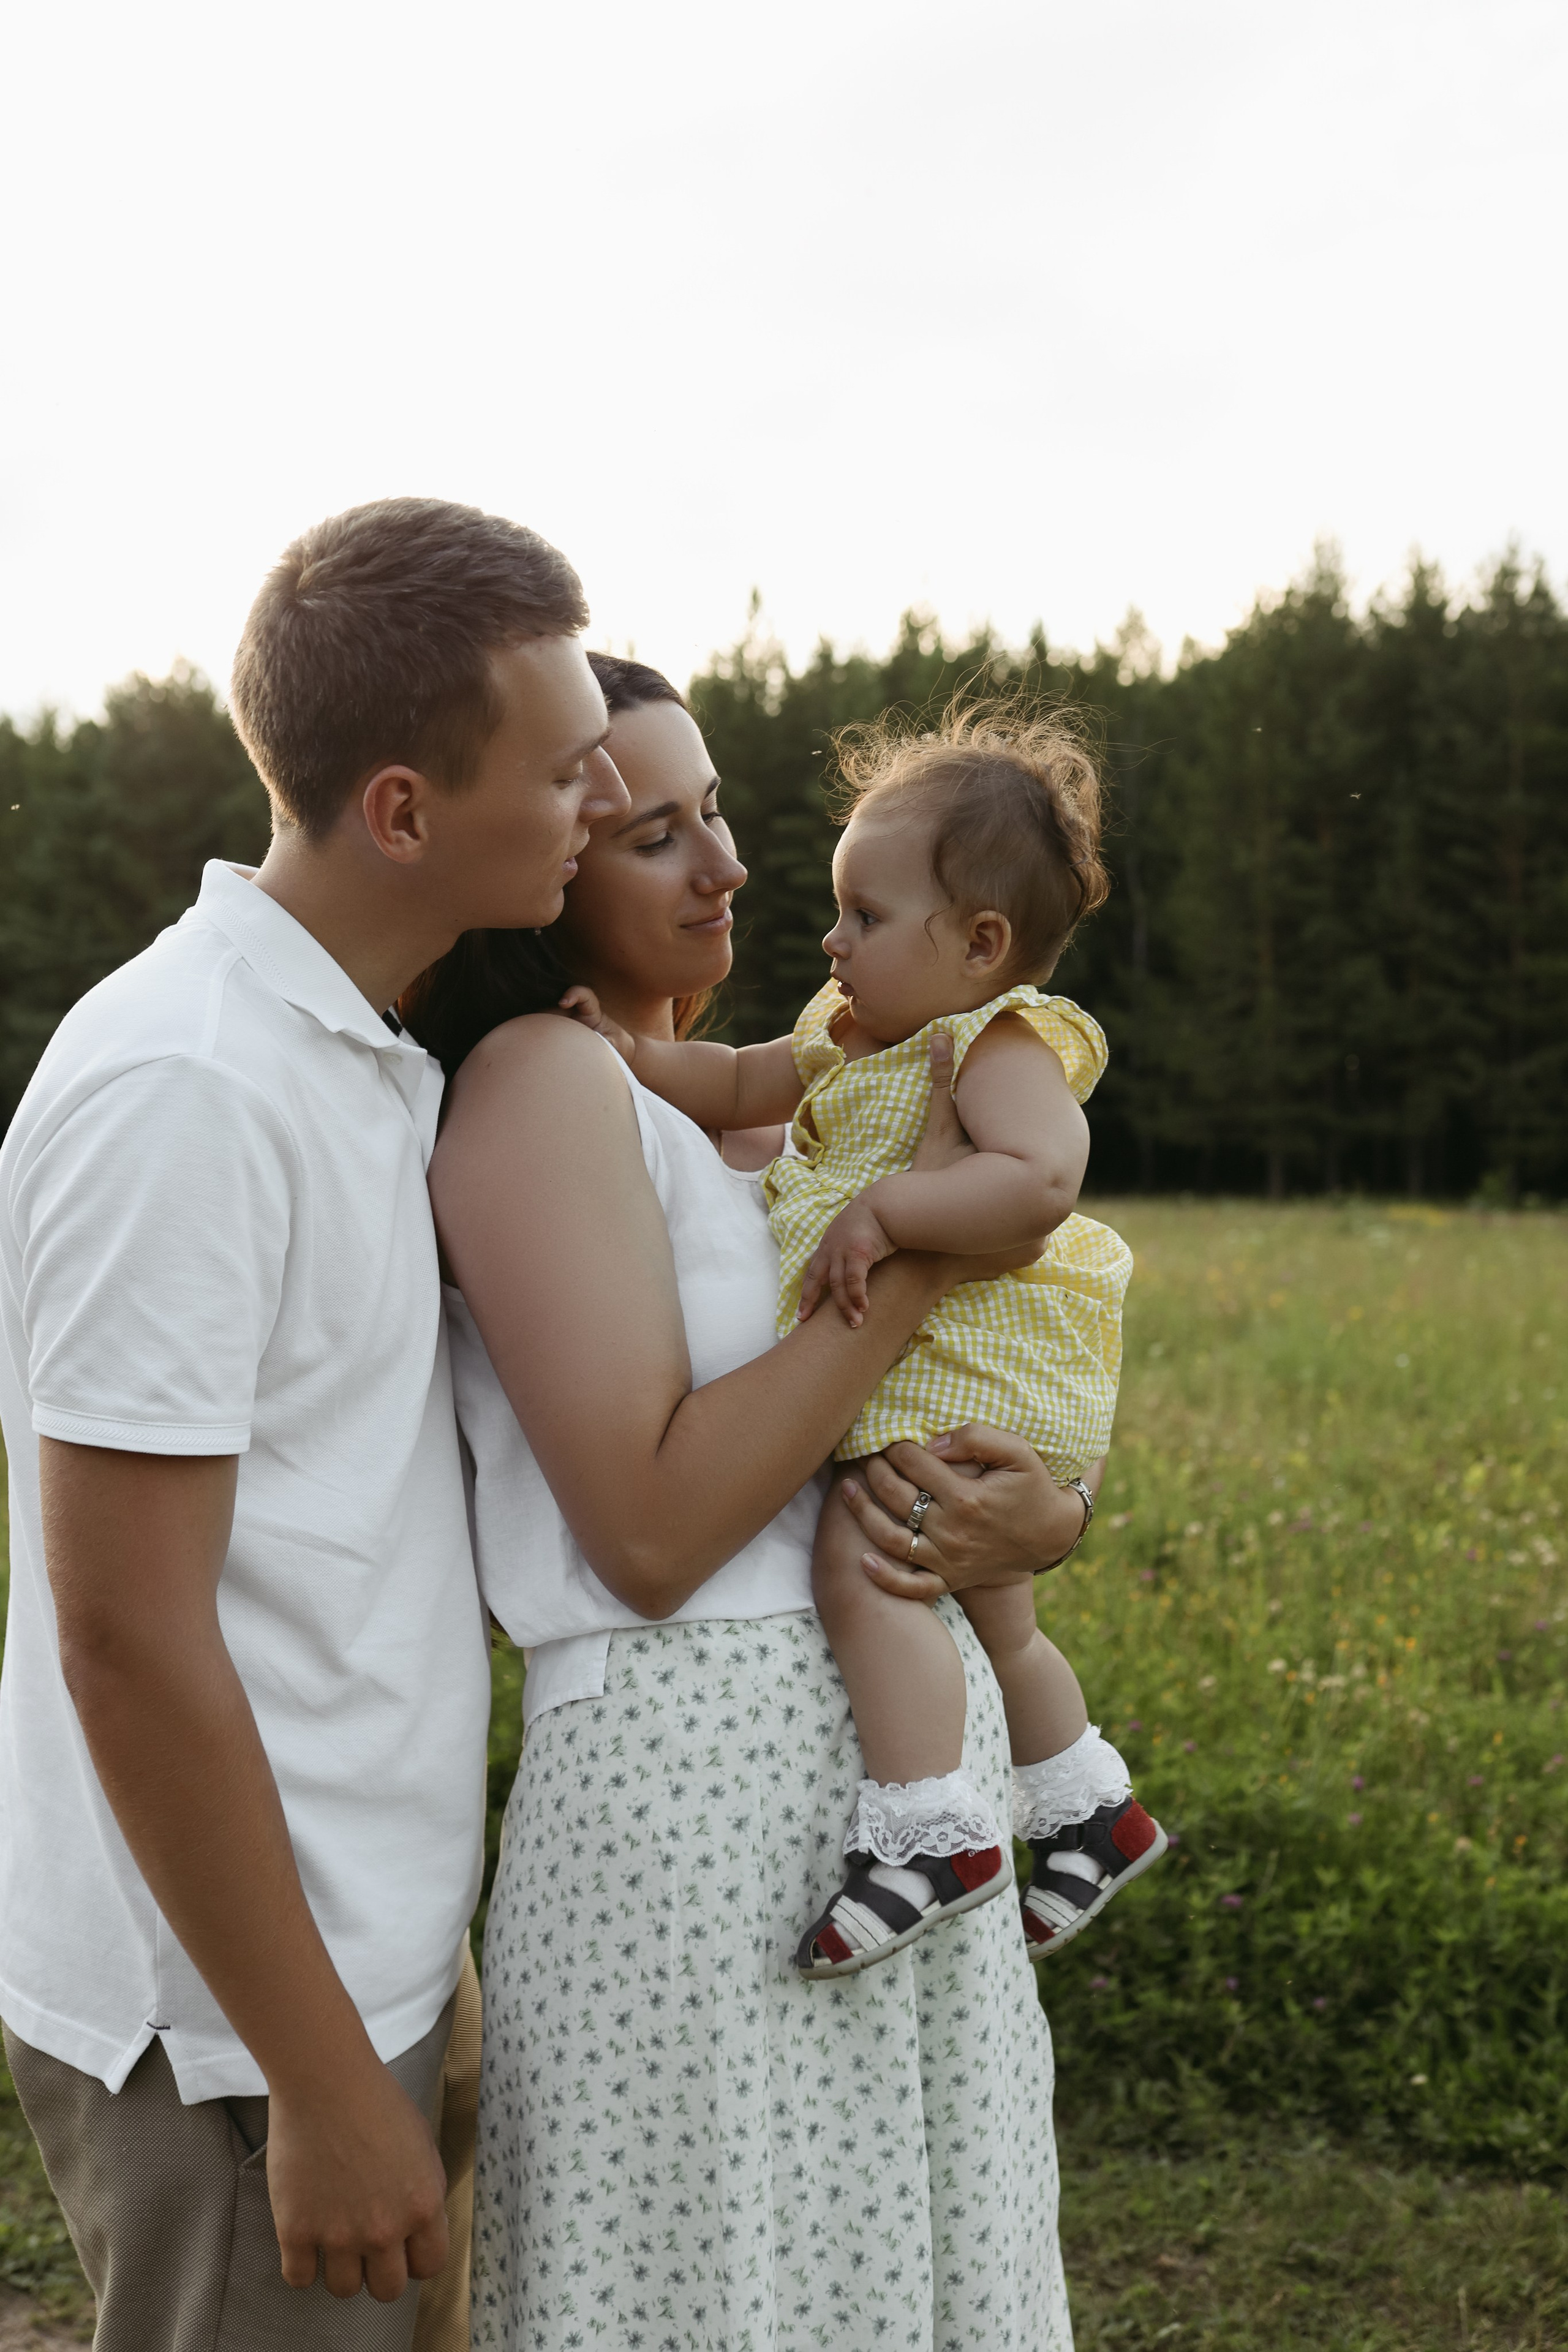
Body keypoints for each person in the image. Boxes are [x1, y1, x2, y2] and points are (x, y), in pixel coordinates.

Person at [404, 654, 1096, 2351]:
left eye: (715, 812)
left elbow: (938, 1413)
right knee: (718, 2285)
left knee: (906, 2281)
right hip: (700, 1794)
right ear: (548, 871)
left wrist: (1040, 1522)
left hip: (894, 1787)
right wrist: (930, 1247)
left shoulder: (795, 1097)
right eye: (654, 834)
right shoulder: (537, 1084)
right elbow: (649, 1537)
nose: (725, 867)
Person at [0, 497, 630, 2351]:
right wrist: (321, 2083)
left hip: (356, 1957)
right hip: (229, 2043)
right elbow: (125, 1629)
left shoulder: (354, 1052)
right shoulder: (188, 1090)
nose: (596, 804)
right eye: (570, 768)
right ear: (406, 813)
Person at [562, 703, 1166, 1978]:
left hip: (984, 1357)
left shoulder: (988, 1043)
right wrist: (619, 1057)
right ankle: (1085, 1804)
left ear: (980, 944)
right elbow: (728, 1081)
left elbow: (1044, 1179)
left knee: (863, 1564)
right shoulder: (853, 1040)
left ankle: (925, 1831)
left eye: (866, 918)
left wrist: (893, 1208)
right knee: (998, 1619)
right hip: (953, 1368)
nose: (830, 942)